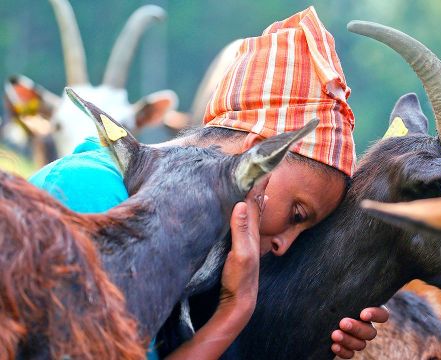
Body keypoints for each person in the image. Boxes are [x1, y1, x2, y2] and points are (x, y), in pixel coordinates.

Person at [30, 7, 388, 359]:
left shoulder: (202, 254)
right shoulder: (87, 195)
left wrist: (310, 325)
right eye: (297, 214)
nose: (283, 246)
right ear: (260, 155)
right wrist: (234, 311)